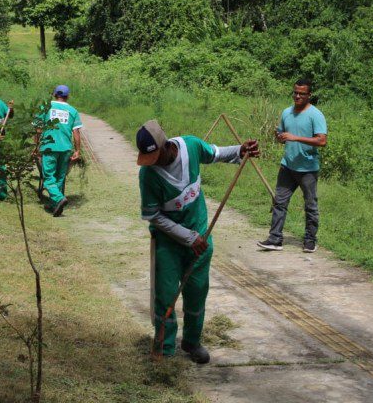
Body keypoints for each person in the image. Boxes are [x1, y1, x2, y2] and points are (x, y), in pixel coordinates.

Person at [137, 119, 259, 362]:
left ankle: (192, 342)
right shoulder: (148, 175)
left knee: (196, 292)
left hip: (201, 240)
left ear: (165, 146)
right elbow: (152, 215)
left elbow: (214, 153)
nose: (152, 164)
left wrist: (239, 150)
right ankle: (164, 347)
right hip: (169, 244)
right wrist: (187, 237)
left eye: (155, 157)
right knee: (166, 295)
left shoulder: (191, 146)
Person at [257, 78, 327, 253]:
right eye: (295, 92)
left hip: (308, 169)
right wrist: (279, 136)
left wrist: (295, 137)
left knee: (310, 205)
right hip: (287, 166)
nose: (297, 96)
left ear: (309, 95)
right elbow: (282, 134)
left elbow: (322, 140)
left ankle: (310, 240)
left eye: (302, 93)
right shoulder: (286, 112)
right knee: (279, 202)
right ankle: (275, 239)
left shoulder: (315, 115)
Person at [37, 85, 82, 217]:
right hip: (66, 148)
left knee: (48, 177)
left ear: (54, 94)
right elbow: (76, 132)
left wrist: (36, 146)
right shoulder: (72, 111)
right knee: (60, 177)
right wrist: (77, 150)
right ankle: (54, 206)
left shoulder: (45, 107)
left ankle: (58, 198)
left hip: (49, 147)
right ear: (67, 96)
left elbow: (38, 129)